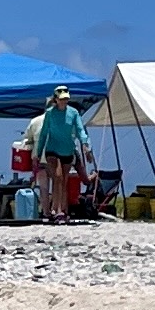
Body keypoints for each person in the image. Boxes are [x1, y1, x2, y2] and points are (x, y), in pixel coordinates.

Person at [30, 85, 93, 222]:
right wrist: (37, 154)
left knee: (63, 180)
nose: (64, 102)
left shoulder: (73, 113)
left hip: (67, 150)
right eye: (61, 99)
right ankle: (55, 209)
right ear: (56, 99)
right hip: (52, 150)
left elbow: (80, 130)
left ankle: (62, 211)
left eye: (66, 99)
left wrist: (86, 146)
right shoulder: (50, 113)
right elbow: (44, 134)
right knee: (57, 176)